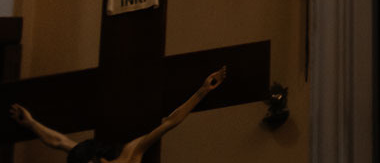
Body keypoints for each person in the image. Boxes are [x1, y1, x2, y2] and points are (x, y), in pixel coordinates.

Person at [10, 68, 226, 163]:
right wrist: (30, 124)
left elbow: (169, 123)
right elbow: (58, 141)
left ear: (100, 159)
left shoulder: (130, 155)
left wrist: (202, 91)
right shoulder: (86, 157)